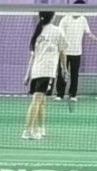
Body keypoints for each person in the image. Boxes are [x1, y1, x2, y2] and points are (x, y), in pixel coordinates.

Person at [22, 10, 67, 141]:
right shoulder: (57, 31)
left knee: (41, 101)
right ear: (52, 17)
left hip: (36, 71)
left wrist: (28, 74)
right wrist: (64, 69)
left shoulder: (37, 32)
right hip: (46, 71)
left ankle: (40, 128)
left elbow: (33, 56)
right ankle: (27, 131)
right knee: (37, 101)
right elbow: (62, 52)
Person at [56, 1, 97, 105]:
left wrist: (96, 38)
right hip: (64, 52)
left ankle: (73, 95)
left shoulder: (83, 19)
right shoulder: (65, 19)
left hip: (77, 52)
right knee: (62, 73)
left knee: (75, 74)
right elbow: (59, 34)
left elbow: (88, 33)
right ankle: (60, 94)